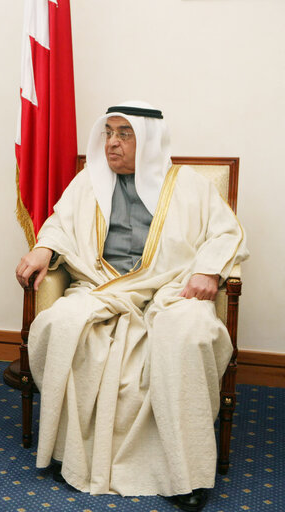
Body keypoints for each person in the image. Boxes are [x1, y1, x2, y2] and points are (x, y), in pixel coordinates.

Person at [15, 101, 248, 512]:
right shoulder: (89, 182)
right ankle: (72, 452)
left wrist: (209, 272)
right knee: (59, 323)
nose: (112, 144)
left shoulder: (188, 185)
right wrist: (43, 247)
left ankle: (187, 474)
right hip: (101, 287)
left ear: (150, 141)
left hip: (173, 290)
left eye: (124, 134)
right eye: (108, 133)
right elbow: (59, 222)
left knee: (190, 334)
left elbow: (225, 232)